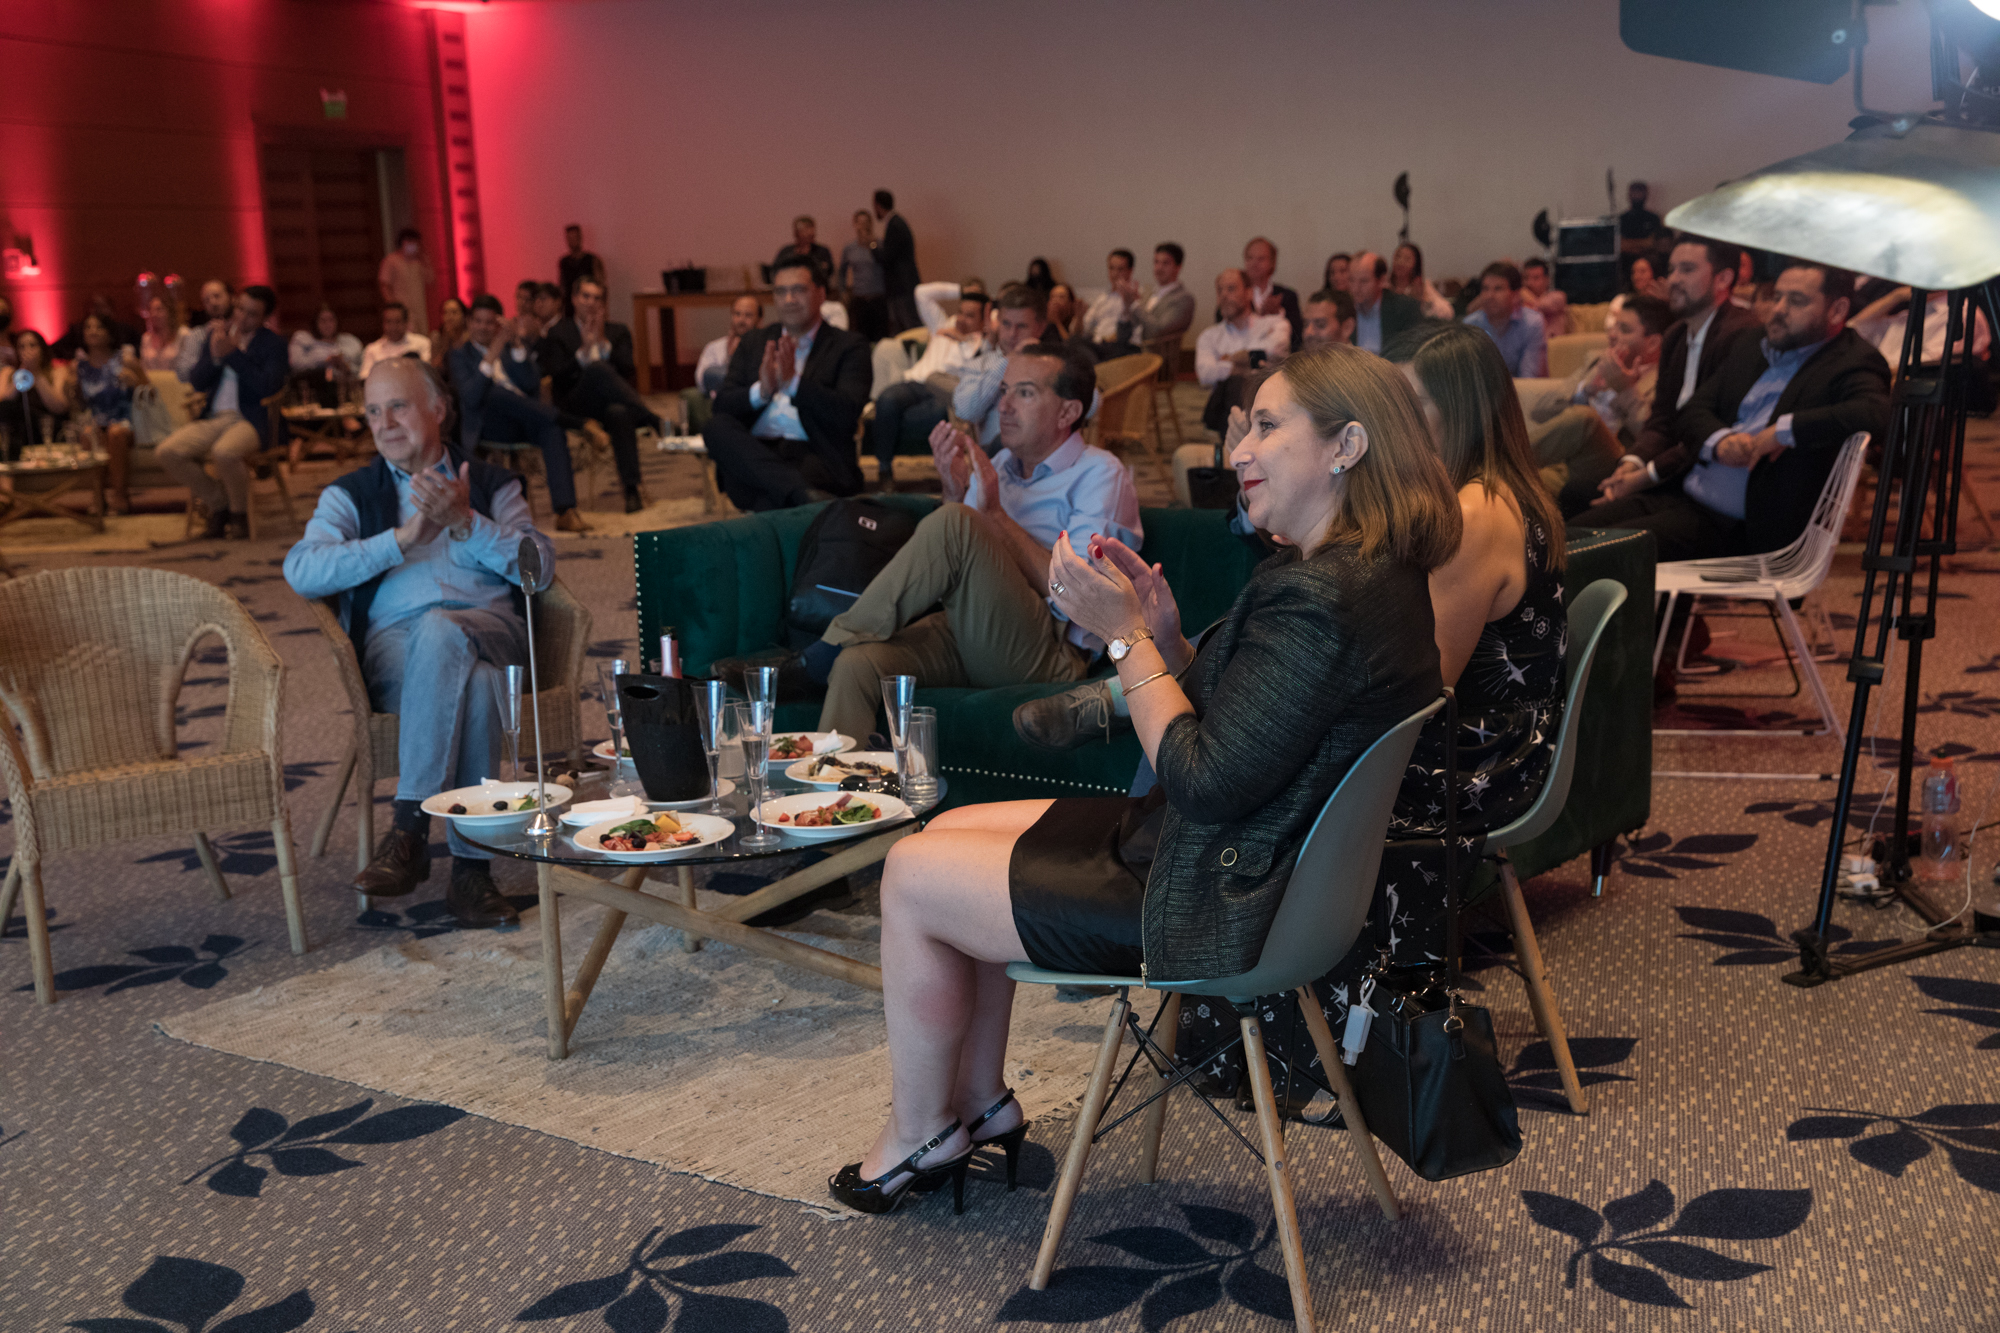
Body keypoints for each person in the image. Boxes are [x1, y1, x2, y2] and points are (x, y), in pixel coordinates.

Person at [825, 343, 1458, 1214]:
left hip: (1216, 894)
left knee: (909, 873)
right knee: (947, 830)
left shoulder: (1323, 596)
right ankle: (977, 1102)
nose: (1239, 449)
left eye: (1267, 426)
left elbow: (1201, 777)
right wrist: (1167, 639)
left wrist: (1123, 638)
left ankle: (920, 1132)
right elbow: (1260, 730)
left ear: (1346, 446)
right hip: (1249, 864)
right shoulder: (1366, 576)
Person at [1171, 323, 1567, 1109]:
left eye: (1408, 403)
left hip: (1473, 757)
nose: (1393, 420)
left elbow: (1422, 683)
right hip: (1500, 734)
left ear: (1456, 410)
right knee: (1278, 736)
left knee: (1279, 776)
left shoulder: (1474, 510)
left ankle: (1270, 1026)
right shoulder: (1502, 494)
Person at [725, 341, 1142, 747]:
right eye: (1004, 391)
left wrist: (993, 516)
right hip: (974, 629)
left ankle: (820, 655)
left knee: (959, 522)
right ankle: (842, 788)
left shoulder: (1100, 474)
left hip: (1049, 652)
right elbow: (955, 559)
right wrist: (952, 491)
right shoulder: (1001, 465)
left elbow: (1078, 598)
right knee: (857, 664)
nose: (1003, 406)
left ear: (1068, 412)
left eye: (1025, 393)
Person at [282, 356, 548, 927]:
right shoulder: (352, 494)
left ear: (438, 409)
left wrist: (466, 522)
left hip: (492, 632)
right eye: (373, 412)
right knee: (475, 682)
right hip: (397, 653)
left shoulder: (492, 484)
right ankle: (471, 874)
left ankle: (408, 828)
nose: (384, 423)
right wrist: (400, 540)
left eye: (398, 406)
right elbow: (302, 570)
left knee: (445, 629)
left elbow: (539, 569)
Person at [1575, 261, 1892, 561]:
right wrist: (1720, 441)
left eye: (1796, 301)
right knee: (1570, 535)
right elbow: (1693, 411)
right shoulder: (1754, 343)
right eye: (1777, 297)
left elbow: (1876, 413)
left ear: (1837, 310)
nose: (1779, 309)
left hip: (1743, 525)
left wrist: (1784, 431)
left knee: (1593, 554)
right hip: (1684, 493)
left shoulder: (1852, 360)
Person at [1595, 237, 1760, 505]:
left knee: (1590, 516)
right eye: (1672, 270)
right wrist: (1632, 463)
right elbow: (1662, 419)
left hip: (1706, 484)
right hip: (1667, 472)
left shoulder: (1741, 336)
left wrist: (1644, 476)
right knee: (1580, 496)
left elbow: (1705, 432)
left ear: (1723, 279)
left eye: (1687, 269)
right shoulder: (1675, 335)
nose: (1673, 280)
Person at [701, 256, 871, 512]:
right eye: (781, 292)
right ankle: (801, 495)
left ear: (821, 294)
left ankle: (792, 499)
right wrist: (762, 392)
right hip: (755, 450)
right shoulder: (754, 342)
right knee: (716, 426)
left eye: (798, 290)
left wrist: (794, 384)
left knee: (760, 491)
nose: (789, 300)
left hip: (815, 452)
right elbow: (722, 404)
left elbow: (847, 412)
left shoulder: (849, 346)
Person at [449, 294, 589, 533]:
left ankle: (565, 511)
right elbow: (471, 398)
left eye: (489, 322)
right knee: (496, 393)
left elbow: (532, 384)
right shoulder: (459, 355)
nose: (483, 327)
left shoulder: (510, 350)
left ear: (499, 325)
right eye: (478, 321)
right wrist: (491, 355)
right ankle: (576, 423)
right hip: (489, 425)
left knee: (552, 429)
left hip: (525, 417)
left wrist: (515, 345)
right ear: (470, 323)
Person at [155, 286, 286, 538]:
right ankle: (219, 504)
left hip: (252, 419)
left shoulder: (273, 344)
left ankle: (239, 516)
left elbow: (267, 387)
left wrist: (233, 355)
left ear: (264, 318)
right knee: (168, 452)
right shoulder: (218, 335)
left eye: (252, 314)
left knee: (224, 452)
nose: (242, 317)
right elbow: (197, 382)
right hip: (215, 416)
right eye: (240, 309)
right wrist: (215, 358)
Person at [541, 276, 658, 512]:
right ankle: (651, 418)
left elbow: (628, 370)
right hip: (576, 404)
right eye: (586, 296)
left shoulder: (618, 331)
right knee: (596, 369)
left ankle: (631, 490)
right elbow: (557, 376)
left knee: (619, 412)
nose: (591, 303)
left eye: (597, 298)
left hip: (610, 403)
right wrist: (583, 352)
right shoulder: (559, 332)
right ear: (574, 299)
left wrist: (603, 343)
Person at [872, 289, 998, 485]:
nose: (962, 319)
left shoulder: (981, 345)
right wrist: (963, 290)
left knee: (937, 415)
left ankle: (943, 473)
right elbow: (922, 293)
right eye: (960, 312)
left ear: (983, 321)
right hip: (915, 383)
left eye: (970, 315)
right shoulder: (941, 326)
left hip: (944, 393)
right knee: (886, 399)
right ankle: (884, 470)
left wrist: (968, 339)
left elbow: (980, 371)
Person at [1529, 294, 1668, 443]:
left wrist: (1626, 390)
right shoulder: (1599, 361)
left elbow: (1654, 439)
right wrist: (1583, 392)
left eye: (1624, 329)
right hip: (1570, 448)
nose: (1612, 335)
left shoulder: (1664, 381)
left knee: (1584, 420)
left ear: (1653, 343)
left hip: (1614, 453)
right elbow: (1538, 412)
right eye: (1614, 326)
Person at [951, 284, 1053, 451]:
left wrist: (1045, 367)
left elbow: (1091, 405)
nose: (1012, 334)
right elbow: (965, 411)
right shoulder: (980, 365)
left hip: (1045, 454)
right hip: (998, 455)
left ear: (1040, 327)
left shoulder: (1053, 364)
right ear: (997, 321)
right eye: (1006, 324)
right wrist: (1007, 363)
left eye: (1022, 326)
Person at [1195, 268, 1290, 432]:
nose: (1224, 295)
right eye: (1220, 290)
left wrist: (1228, 360)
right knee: (1234, 384)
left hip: (1269, 402)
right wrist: (1247, 364)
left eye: (1231, 289)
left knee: (1242, 384)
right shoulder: (1209, 336)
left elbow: (1275, 352)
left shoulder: (1274, 324)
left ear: (1249, 293)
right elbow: (1205, 375)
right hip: (1224, 408)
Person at [69, 312, 146, 513]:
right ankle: (98, 496)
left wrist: (135, 383)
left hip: (126, 419)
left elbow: (150, 393)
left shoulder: (125, 361)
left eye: (99, 327)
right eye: (88, 327)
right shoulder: (80, 367)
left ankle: (120, 496)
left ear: (110, 333)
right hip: (96, 420)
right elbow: (80, 404)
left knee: (115, 433)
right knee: (89, 433)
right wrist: (72, 388)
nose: (92, 331)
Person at [685, 294, 762, 434]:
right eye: (737, 314)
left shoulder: (766, 347)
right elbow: (702, 381)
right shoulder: (715, 347)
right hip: (719, 400)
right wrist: (730, 359)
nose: (741, 320)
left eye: (748, 315)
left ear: (759, 320)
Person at [1461, 262, 1548, 377]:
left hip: (1523, 387)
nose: (1489, 296)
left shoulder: (1532, 323)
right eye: (1485, 289)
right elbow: (1469, 375)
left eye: (1498, 289)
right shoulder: (1471, 325)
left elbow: (1529, 377)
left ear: (1515, 295)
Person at [1346, 251, 1423, 354]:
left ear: (1381, 280)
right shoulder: (1343, 310)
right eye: (1351, 280)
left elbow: (1413, 351)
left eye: (1364, 281)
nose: (1355, 288)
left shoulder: (1405, 308)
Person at [1122, 243, 1195, 352]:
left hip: (1152, 353)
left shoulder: (1183, 299)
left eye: (1165, 263)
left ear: (1178, 267)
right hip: (1128, 347)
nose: (1159, 268)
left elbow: (1158, 330)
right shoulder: (1148, 292)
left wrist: (1135, 304)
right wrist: (1127, 306)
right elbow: (1132, 325)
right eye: (1156, 262)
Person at [1239, 237, 1304, 352]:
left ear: (1272, 263)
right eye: (1249, 258)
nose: (1254, 263)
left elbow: (1297, 338)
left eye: (1261, 259)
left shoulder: (1287, 296)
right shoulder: (1236, 296)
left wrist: (1279, 314)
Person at [874, 189, 921, 333]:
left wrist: (872, 246)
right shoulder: (897, 222)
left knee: (909, 326)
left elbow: (888, 257)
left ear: (877, 206)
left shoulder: (895, 225)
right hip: (903, 285)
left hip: (901, 286)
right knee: (904, 325)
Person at [1081, 249, 1142, 356]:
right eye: (1111, 268)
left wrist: (1131, 303)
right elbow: (1086, 326)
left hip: (1121, 347)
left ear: (1130, 271)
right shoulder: (1102, 298)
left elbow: (1136, 329)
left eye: (1120, 269)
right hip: (1098, 345)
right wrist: (1079, 316)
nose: (1114, 274)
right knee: (1074, 341)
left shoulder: (1136, 297)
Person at [841, 210, 890, 342]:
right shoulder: (849, 249)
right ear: (855, 225)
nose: (863, 226)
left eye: (866, 222)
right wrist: (843, 291)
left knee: (881, 339)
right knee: (861, 338)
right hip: (860, 300)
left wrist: (871, 244)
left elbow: (887, 265)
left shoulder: (880, 245)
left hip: (879, 298)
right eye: (860, 223)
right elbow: (842, 272)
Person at [49, 295, 141, 362]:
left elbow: (142, 347)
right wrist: (74, 354)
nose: (93, 331)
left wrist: (131, 351)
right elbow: (53, 350)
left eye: (102, 306)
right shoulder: (77, 330)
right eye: (94, 307)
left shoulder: (124, 329)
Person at [378, 228, 433, 334]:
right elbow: (385, 285)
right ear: (402, 242)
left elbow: (430, 279)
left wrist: (424, 258)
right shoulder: (391, 261)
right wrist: (393, 307)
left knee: (422, 335)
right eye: (409, 241)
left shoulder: (418, 262)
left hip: (419, 309)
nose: (412, 245)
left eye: (415, 242)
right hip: (402, 308)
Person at [290, 303, 364, 380]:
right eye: (323, 321)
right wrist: (324, 360)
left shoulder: (351, 342)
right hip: (312, 382)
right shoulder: (303, 340)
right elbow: (296, 364)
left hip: (343, 382)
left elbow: (362, 369)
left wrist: (345, 366)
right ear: (315, 322)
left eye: (331, 320)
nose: (327, 325)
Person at [360, 303, 433, 378]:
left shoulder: (422, 343)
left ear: (406, 323)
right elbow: (365, 377)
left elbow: (427, 373)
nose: (393, 327)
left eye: (397, 322)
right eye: (389, 322)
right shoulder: (372, 349)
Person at [1389, 242, 1454, 320]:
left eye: (1407, 259)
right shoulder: (1385, 285)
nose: (1400, 262)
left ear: (1415, 265)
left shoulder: (1423, 287)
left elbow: (1448, 312)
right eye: (1398, 256)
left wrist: (1422, 302)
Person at [138, 293, 198, 375]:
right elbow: (143, 369)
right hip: (152, 382)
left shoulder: (184, 335)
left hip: (178, 382)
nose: (154, 314)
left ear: (170, 312)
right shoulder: (146, 338)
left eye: (159, 310)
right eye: (151, 310)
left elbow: (191, 366)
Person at [556, 224, 606, 315]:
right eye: (569, 238)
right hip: (569, 307)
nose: (572, 241)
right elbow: (562, 286)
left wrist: (602, 308)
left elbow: (601, 285)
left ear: (580, 238)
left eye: (574, 237)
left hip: (588, 304)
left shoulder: (592, 260)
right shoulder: (564, 262)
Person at [1620, 181, 1665, 273]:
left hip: (1649, 262)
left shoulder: (1653, 218)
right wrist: (1642, 244)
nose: (1637, 196)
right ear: (1629, 195)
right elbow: (1621, 244)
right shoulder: (1622, 219)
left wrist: (1630, 244)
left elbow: (1653, 243)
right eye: (1634, 192)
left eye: (1639, 192)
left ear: (1646, 195)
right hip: (1625, 263)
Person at [1521, 257, 1570, 337]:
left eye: (1536, 278)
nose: (1529, 283)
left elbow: (1538, 306)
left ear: (1547, 280)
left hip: (1552, 343)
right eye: (1526, 278)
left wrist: (1523, 292)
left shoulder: (1558, 297)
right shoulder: (1520, 301)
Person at [428, 297, 469, 376]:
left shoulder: (470, 337)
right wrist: (446, 341)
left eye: (454, 312)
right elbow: (435, 367)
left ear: (464, 316)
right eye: (445, 313)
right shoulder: (437, 337)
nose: (449, 317)